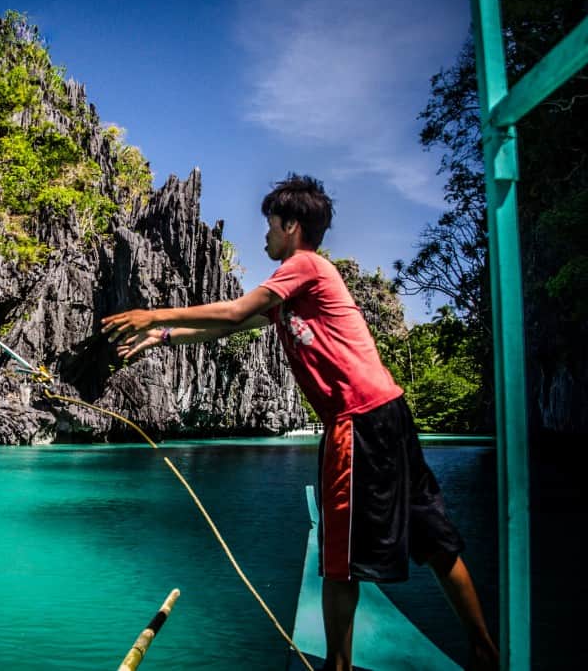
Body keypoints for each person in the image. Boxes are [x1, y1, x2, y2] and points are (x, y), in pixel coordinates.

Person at [101, 173, 499, 671]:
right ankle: (484, 650)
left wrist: (152, 315)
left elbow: (233, 311)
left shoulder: (304, 265)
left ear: (291, 225)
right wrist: (164, 338)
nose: (264, 236)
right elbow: (233, 327)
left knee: (339, 560)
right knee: (432, 535)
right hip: (389, 412)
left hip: (357, 422)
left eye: (269, 225)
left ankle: (338, 666)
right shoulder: (299, 288)